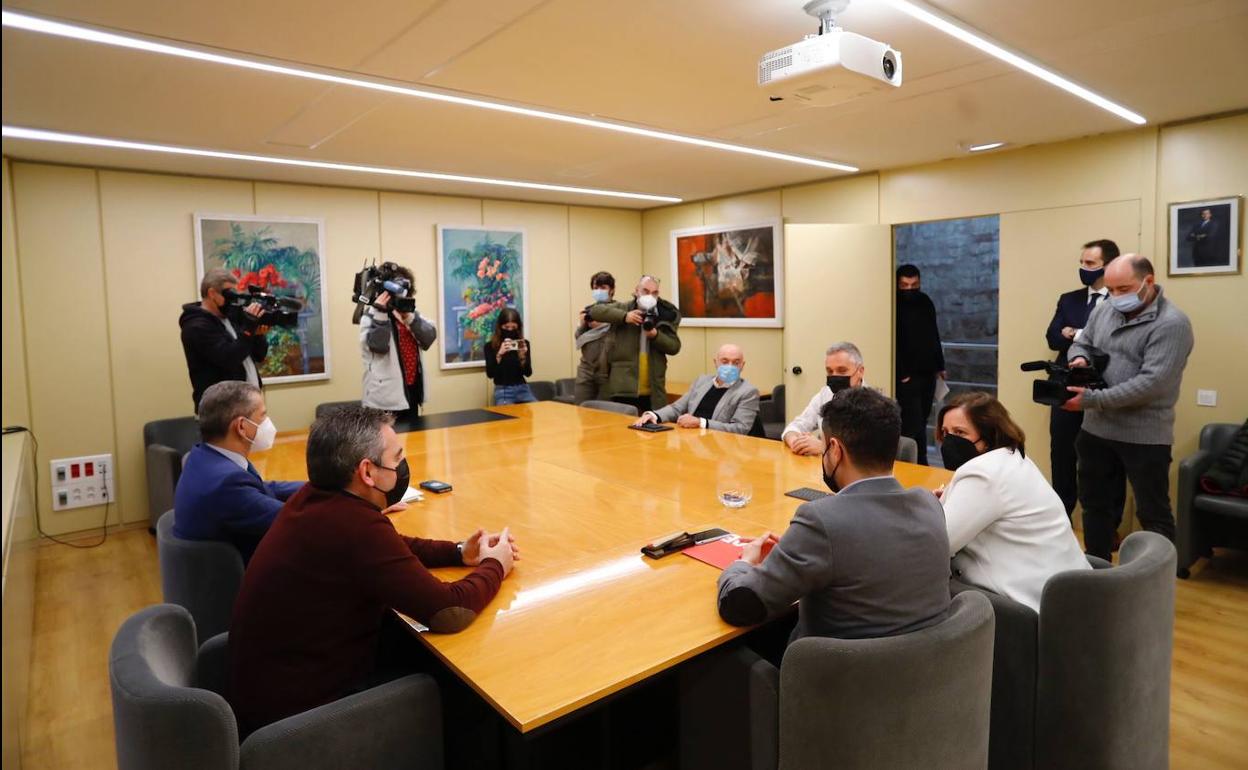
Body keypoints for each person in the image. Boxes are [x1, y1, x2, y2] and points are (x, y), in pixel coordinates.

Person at [229, 406, 518, 736]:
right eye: (397, 458)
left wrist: (457, 551)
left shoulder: (314, 499)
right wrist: (496, 564)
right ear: (367, 472)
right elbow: (450, 611)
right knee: (468, 687)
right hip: (306, 722)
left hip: (272, 693)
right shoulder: (354, 526)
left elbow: (391, 545)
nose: (403, 467)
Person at [717, 387, 951, 643]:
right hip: (926, 662)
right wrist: (797, 550)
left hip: (836, 666)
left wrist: (743, 563)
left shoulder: (820, 520)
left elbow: (740, 605)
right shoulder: (930, 503)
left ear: (835, 449)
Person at [1065, 255, 1194, 561]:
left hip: (1144, 435)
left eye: (1123, 289)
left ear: (1148, 282)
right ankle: (1097, 572)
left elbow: (1152, 383)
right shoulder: (1104, 309)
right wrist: (1079, 358)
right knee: (1094, 506)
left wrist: (1092, 400)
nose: (1116, 297)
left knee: (1153, 513)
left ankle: (1156, 580)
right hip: (1096, 430)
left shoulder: (1172, 323)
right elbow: (1082, 342)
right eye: (1110, 289)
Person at [935, 392, 1089, 612]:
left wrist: (926, 509)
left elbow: (937, 544)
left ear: (989, 435)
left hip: (1025, 611)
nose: (950, 440)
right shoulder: (1012, 458)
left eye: (960, 432)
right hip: (1071, 596)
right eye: (945, 432)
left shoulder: (983, 474)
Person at [173, 382, 303, 563]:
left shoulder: (203, 457)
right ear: (241, 427)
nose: (268, 422)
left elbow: (264, 488)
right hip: (245, 572)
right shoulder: (226, 484)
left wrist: (316, 486)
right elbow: (295, 522)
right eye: (263, 415)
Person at [1045, 239, 1122, 517]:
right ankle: (1061, 516)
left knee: (1107, 457)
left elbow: (1111, 343)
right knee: (1062, 454)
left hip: (1105, 388)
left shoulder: (1120, 301)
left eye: (1090, 263)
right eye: (1082, 263)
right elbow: (1053, 338)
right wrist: (1075, 335)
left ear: (1108, 266)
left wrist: (1075, 333)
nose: (1084, 268)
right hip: (1066, 386)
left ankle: (1110, 522)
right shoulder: (1069, 299)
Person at [588, 275, 681, 413]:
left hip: (653, 390)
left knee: (654, 426)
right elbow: (596, 311)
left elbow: (674, 347)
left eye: (654, 293)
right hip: (624, 389)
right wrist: (625, 317)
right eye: (645, 291)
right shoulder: (624, 308)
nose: (649, 296)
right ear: (637, 291)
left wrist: (656, 335)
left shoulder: (665, 314)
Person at [179, 268, 269, 411]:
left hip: (248, 405)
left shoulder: (232, 317)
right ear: (212, 293)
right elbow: (229, 358)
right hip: (220, 410)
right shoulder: (196, 326)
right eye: (229, 294)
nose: (232, 300)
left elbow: (259, 355)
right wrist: (248, 331)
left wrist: (257, 335)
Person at [360, 263, 437, 422]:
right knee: (385, 438)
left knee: (414, 437)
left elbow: (429, 338)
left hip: (411, 392)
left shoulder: (410, 313)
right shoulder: (371, 317)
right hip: (384, 400)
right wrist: (381, 314)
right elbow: (378, 347)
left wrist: (409, 317)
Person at [633, 344, 759, 434]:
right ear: (716, 362)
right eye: (725, 361)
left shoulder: (748, 392)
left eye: (736, 363)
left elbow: (740, 428)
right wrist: (654, 415)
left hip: (721, 447)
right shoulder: (702, 381)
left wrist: (701, 422)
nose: (730, 366)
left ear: (742, 365)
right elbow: (677, 408)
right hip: (692, 438)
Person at [895, 264, 946, 466]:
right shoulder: (893, 304)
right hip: (907, 376)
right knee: (912, 422)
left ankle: (921, 462)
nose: (909, 289)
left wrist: (940, 366)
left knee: (923, 419)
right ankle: (912, 463)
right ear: (897, 284)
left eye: (914, 284)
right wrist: (902, 373)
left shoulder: (925, 302)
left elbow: (934, 334)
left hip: (928, 372)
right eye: (904, 285)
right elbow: (893, 341)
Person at [781, 342, 866, 456]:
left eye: (842, 370)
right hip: (822, 464)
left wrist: (824, 447)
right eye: (830, 371)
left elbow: (869, 451)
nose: (835, 376)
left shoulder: (875, 404)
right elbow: (796, 426)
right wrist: (797, 443)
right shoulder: (825, 394)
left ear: (860, 371)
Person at [574, 271, 617, 403]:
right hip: (586, 369)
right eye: (595, 288)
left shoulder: (620, 311)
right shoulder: (589, 310)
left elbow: (622, 336)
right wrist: (582, 324)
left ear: (612, 290)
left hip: (609, 371)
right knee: (580, 407)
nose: (599, 291)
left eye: (603, 287)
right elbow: (578, 339)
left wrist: (603, 324)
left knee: (605, 410)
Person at [485, 307, 535, 405]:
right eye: (506, 327)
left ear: (518, 327)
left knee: (537, 410)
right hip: (503, 390)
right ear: (500, 326)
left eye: (513, 328)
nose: (510, 330)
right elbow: (490, 374)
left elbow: (528, 373)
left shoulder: (523, 344)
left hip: (523, 388)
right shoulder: (490, 346)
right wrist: (499, 354)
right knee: (506, 413)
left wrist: (522, 357)